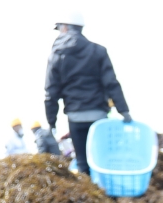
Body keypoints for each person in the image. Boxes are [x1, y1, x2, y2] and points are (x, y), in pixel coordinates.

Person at [43, 11, 132, 175]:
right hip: (99, 116)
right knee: (103, 160)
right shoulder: (98, 51)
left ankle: (91, 193)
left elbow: (51, 93)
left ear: (65, 27)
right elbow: (111, 83)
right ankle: (110, 196)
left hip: (75, 116)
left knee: (83, 163)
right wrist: (124, 111)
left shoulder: (56, 56)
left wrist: (51, 122)